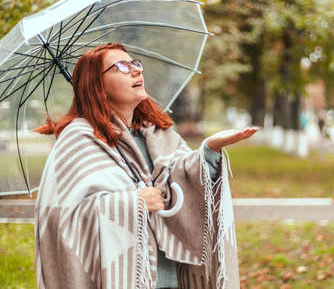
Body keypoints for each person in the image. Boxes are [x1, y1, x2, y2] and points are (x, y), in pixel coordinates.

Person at [34, 43, 257, 289]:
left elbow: (183, 177)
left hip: (173, 280)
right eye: (120, 67)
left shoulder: (159, 135)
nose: (135, 71)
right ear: (97, 86)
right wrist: (134, 203)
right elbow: (62, 217)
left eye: (135, 64)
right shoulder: (79, 138)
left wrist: (209, 151)